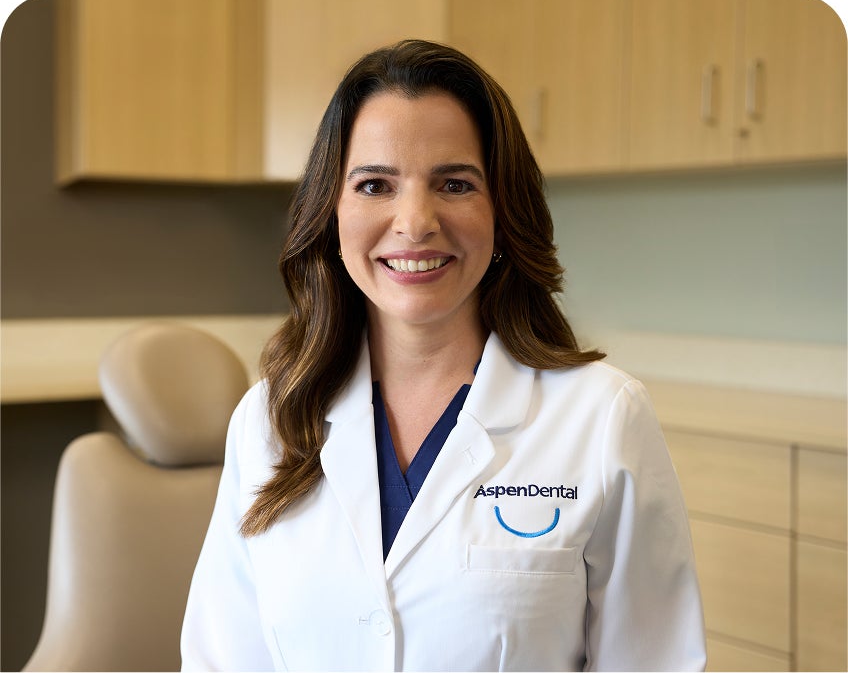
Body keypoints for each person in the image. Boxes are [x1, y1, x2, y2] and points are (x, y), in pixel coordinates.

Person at [180, 39, 706, 671]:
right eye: (375, 184)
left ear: (503, 211)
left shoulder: (600, 417)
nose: (415, 221)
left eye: (454, 184)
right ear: (332, 213)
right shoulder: (269, 419)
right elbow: (223, 659)